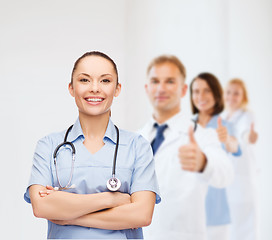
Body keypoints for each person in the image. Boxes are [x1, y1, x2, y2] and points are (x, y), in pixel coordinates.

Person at [24, 51, 161, 239]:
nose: (95, 88)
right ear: (71, 88)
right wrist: (112, 198)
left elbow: (142, 214)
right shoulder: (48, 146)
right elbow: (41, 207)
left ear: (117, 89)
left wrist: (69, 215)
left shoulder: (137, 146)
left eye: (105, 81)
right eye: (84, 80)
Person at [139, 55, 234, 240]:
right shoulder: (136, 139)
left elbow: (226, 173)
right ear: (147, 88)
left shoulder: (202, 135)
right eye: (155, 81)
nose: (161, 88)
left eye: (170, 81)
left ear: (183, 90)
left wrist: (203, 162)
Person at [190, 72, 241, 240]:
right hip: (189, 209)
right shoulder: (187, 125)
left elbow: (235, 147)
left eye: (207, 91)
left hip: (216, 213)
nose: (201, 96)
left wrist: (227, 140)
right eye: (196, 91)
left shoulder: (224, 126)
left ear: (216, 94)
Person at [222, 78, 259, 240]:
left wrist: (250, 137)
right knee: (231, 226)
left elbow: (246, 134)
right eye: (229, 92)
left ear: (243, 96)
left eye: (236, 93)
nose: (231, 97)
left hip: (243, 178)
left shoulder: (247, 115)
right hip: (228, 178)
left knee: (246, 225)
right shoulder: (223, 117)